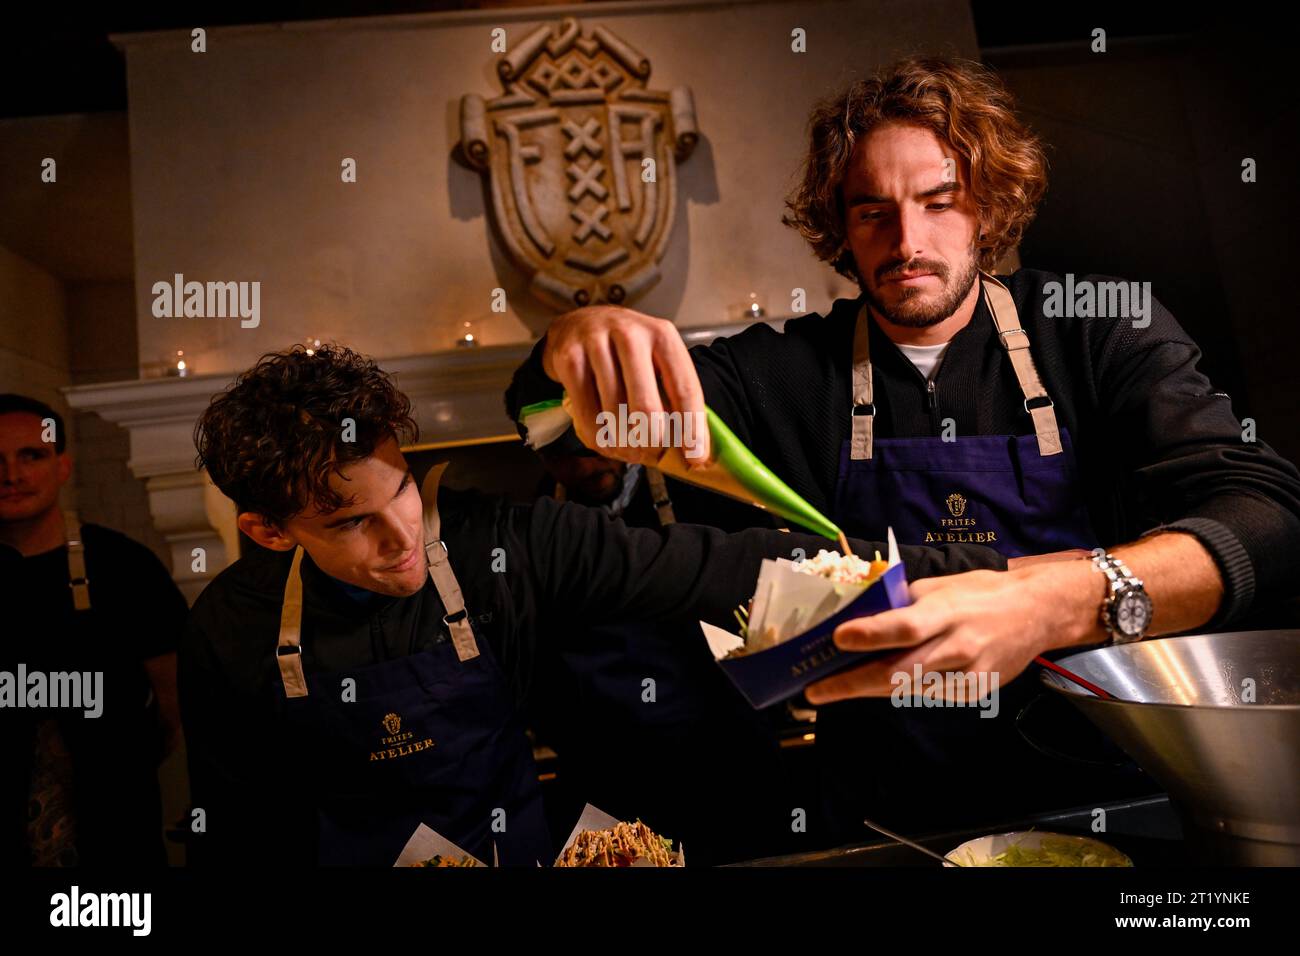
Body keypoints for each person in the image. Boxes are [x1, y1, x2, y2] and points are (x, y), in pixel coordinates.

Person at [504, 55, 1300, 838]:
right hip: (895, 818)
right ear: (840, 229)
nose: (907, 240)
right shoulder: (780, 372)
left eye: (940, 201)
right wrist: (565, 346)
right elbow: (546, 419)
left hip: (1113, 794)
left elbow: (1267, 518)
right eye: (872, 210)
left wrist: (1056, 599)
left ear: (989, 209)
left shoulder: (1097, 329)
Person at [178, 344, 991, 866]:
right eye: (349, 523)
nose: (398, 537)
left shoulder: (505, 543)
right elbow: (239, 835)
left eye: (399, 493)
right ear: (269, 530)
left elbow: (728, 567)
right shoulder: (229, 628)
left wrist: (998, 576)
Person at [503, 372, 792, 865]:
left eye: (593, 446)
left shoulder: (700, 486)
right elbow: (529, 656)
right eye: (564, 455)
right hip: (607, 772)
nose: (586, 464)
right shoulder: (532, 526)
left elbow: (765, 600)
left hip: (725, 757)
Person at [0, 394, 187, 866]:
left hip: (116, 836)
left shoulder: (124, 566)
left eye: (31, 456)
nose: (12, 475)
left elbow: (174, 705)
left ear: (62, 466)